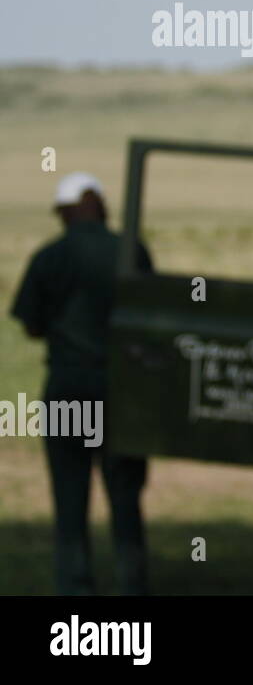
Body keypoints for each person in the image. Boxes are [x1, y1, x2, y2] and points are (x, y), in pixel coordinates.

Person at [9, 172, 149, 595]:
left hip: (68, 386)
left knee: (70, 496)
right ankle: (133, 585)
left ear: (70, 211)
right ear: (100, 206)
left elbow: (31, 325)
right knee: (124, 495)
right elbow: (149, 319)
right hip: (121, 390)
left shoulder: (50, 256)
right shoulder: (131, 252)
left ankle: (74, 589)